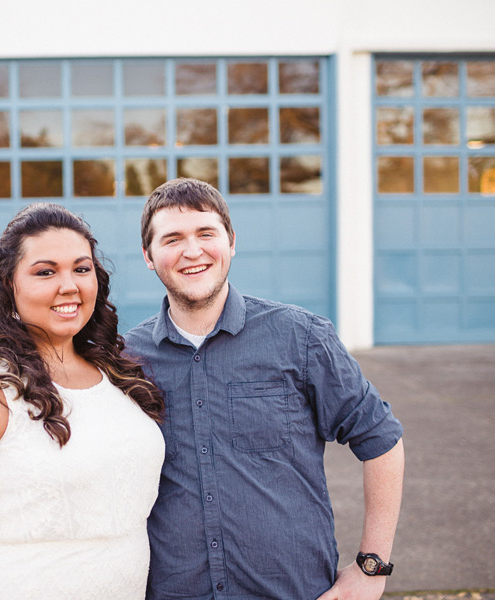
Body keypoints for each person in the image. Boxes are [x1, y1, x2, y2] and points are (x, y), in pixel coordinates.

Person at [123, 178, 405, 600]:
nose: (192, 250)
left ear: (231, 241)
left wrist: (372, 567)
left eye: (206, 233)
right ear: (149, 256)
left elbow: (381, 440)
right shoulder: (126, 360)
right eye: (172, 238)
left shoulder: (300, 336)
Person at [0, 203, 166, 600]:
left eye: (81, 268)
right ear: (9, 286)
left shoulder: (117, 374)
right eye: (45, 272)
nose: (69, 285)